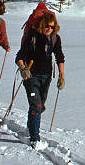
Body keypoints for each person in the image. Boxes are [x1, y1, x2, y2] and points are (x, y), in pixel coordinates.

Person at [15, 11, 65, 149]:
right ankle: (34, 138)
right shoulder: (32, 37)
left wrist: (61, 75)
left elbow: (59, 56)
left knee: (39, 105)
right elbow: (19, 56)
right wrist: (23, 69)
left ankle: (30, 128)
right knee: (36, 105)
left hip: (46, 76)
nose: (49, 29)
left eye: (52, 27)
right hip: (31, 76)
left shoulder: (55, 39)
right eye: (47, 27)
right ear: (41, 25)